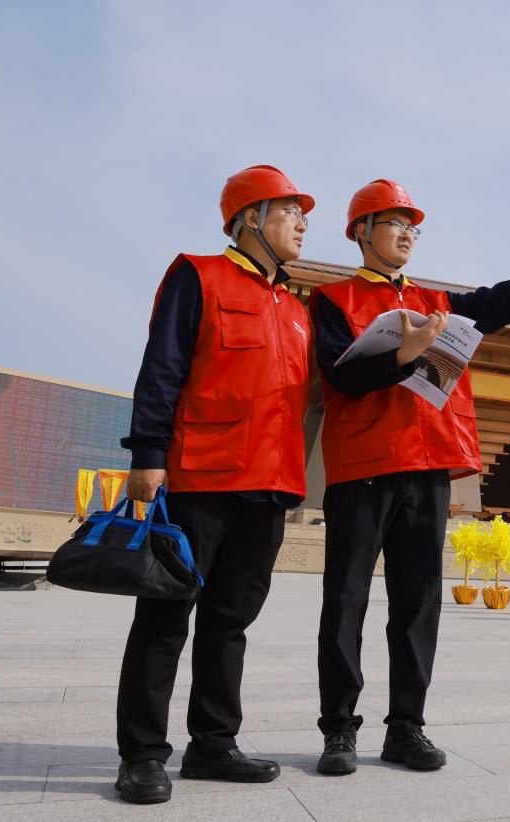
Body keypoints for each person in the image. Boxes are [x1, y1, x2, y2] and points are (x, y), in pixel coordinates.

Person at [311, 179, 510, 775]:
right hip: (364, 467)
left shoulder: (438, 303)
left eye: (413, 226)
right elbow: (341, 378)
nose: (407, 234)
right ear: (361, 231)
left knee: (418, 602)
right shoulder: (333, 300)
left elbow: (504, 298)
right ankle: (339, 729)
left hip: (428, 468)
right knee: (346, 599)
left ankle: (406, 727)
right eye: (394, 223)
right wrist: (401, 355)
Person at [114, 165, 315, 804]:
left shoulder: (297, 309)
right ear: (251, 217)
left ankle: (213, 744)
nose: (302, 224)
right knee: (165, 615)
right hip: (201, 475)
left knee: (231, 621)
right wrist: (148, 452)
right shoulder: (197, 276)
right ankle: (142, 754)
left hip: (270, 484)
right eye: (290, 211)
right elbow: (162, 367)